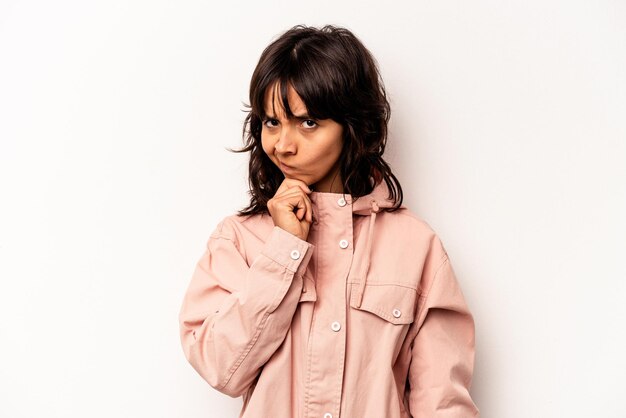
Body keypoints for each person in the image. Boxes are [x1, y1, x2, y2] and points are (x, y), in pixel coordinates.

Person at [178, 24, 479, 418]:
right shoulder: (239, 240)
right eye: (271, 122)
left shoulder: (416, 247)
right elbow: (220, 368)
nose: (283, 145)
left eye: (307, 123)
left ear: (352, 127)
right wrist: (284, 250)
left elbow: (442, 404)